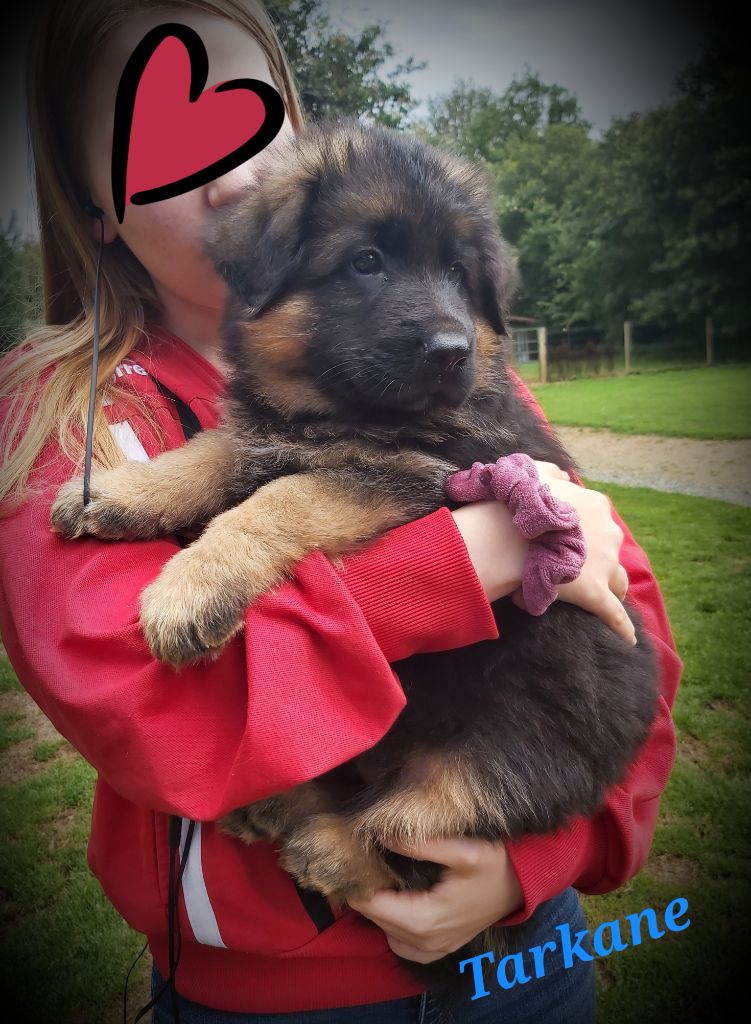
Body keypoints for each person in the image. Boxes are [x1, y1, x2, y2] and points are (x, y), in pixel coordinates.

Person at [0, 1, 682, 1022]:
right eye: (166, 139)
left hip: (523, 944)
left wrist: (547, 855)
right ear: (92, 200)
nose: (230, 173)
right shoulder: (64, 416)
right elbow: (153, 700)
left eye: (249, 118)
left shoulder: (442, 381)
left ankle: (367, 834)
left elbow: (627, 630)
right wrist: (478, 551)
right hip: (277, 1000)